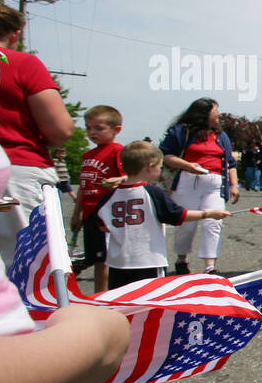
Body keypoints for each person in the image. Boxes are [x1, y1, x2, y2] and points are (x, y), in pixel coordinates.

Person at [0, 5, 75, 266]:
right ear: (15, 34)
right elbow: (60, 129)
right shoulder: (23, 63)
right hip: (15, 170)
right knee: (27, 268)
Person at [98, 141, 230, 290]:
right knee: (150, 303)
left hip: (117, 263)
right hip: (148, 261)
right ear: (150, 167)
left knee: (122, 303)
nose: (160, 171)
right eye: (159, 167)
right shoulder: (153, 193)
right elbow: (178, 215)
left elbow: (103, 226)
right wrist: (209, 213)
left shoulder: (109, 196)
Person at [159, 98, 239, 275]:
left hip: (215, 182)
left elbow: (230, 163)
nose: (218, 114)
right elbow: (166, 156)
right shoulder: (181, 132)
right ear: (203, 114)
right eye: (214, 111)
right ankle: (182, 259)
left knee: (214, 222)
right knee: (186, 223)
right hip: (188, 180)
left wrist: (234, 185)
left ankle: (210, 265)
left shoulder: (221, 136)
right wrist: (187, 165)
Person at [72, 105, 126, 293]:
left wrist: (119, 179)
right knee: (96, 258)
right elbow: (82, 186)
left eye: (98, 128)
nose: (91, 132)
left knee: (104, 259)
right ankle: (98, 295)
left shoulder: (117, 151)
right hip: (89, 213)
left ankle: (103, 296)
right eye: (88, 128)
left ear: (116, 129)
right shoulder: (87, 155)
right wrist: (76, 213)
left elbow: (130, 177)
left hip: (106, 214)